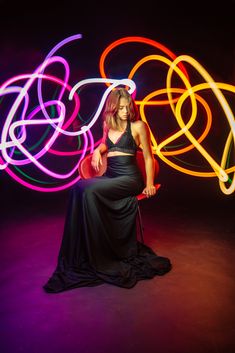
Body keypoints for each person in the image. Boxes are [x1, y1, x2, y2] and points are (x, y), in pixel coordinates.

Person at [43, 87, 171, 293]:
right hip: (111, 176)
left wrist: (149, 183)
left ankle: (100, 254)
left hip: (130, 178)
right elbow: (106, 145)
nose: (125, 111)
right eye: (120, 108)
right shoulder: (107, 125)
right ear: (112, 109)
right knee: (78, 188)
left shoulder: (138, 126)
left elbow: (148, 157)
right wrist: (97, 150)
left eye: (127, 107)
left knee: (90, 192)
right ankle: (84, 250)